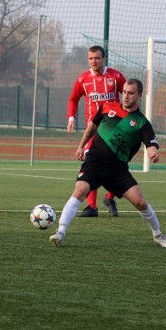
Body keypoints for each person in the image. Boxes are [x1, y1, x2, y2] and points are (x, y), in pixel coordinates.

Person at [51, 79, 166, 248]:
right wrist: (80, 147)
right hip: (94, 162)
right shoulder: (107, 107)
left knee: (140, 203)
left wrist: (153, 153)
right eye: (124, 92)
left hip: (117, 170)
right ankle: (60, 232)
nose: (126, 96)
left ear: (139, 95)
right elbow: (91, 128)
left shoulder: (142, 122)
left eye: (131, 93)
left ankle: (158, 234)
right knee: (80, 191)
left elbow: (151, 144)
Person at [67, 45, 127, 217]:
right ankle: (92, 207)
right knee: (91, 164)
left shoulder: (116, 76)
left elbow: (129, 95)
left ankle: (109, 197)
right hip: (93, 129)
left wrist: (131, 118)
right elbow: (73, 99)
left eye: (97, 58)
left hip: (114, 129)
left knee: (118, 165)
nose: (94, 61)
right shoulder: (82, 79)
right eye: (91, 58)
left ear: (104, 58)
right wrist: (71, 118)